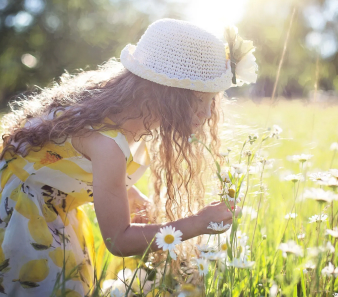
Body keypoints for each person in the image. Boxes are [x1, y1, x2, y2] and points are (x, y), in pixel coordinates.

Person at [0, 18, 257, 296]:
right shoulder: (107, 143)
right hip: (25, 219)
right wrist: (197, 223)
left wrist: (131, 195)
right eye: (200, 100)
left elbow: (66, 161)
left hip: (47, 204)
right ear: (167, 95)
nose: (208, 114)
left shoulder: (118, 110)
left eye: (212, 100)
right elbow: (118, 241)